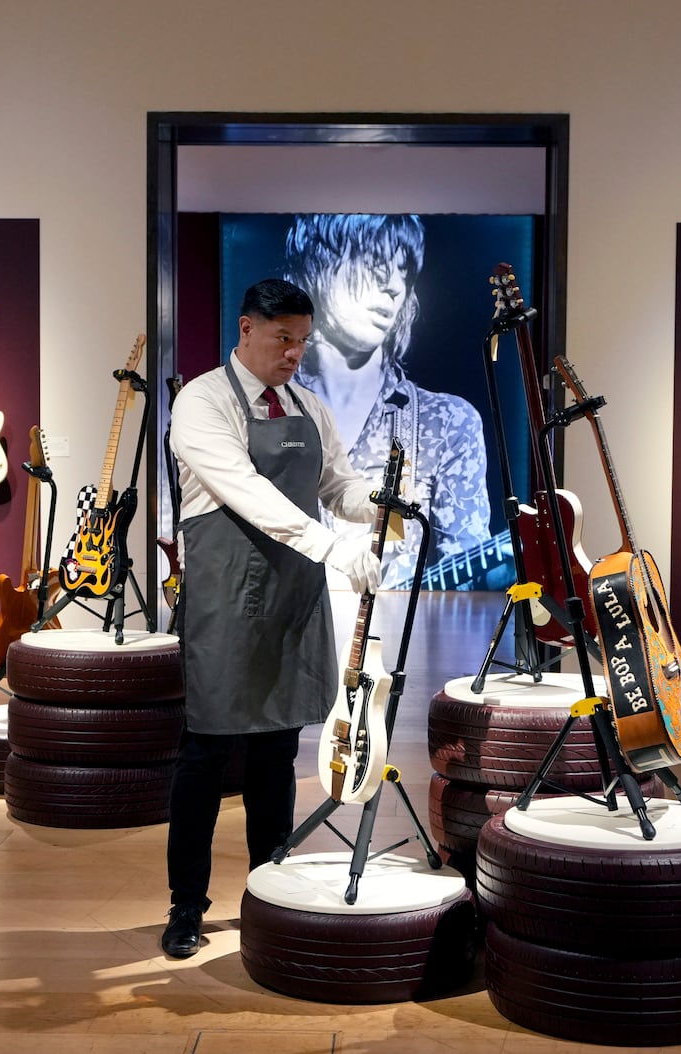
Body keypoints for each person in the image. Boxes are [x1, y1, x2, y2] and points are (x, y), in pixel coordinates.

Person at [160, 278, 382, 959]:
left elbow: (336, 486)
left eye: (303, 341)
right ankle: (187, 905)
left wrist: (382, 503)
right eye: (283, 338)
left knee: (276, 753)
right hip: (225, 604)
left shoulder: (309, 408)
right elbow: (246, 490)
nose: (294, 353)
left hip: (290, 600)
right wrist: (329, 544)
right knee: (203, 755)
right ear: (247, 328)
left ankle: (269, 888)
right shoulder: (201, 403)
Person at [283, 213, 491, 589]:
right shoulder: (265, 411)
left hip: (404, 643)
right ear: (320, 264)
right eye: (376, 264)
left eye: (404, 271)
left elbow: (466, 576)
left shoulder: (446, 422)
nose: (394, 285)